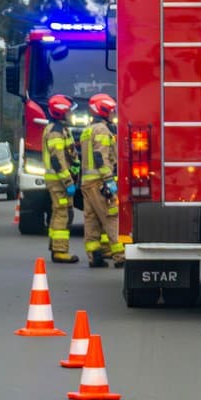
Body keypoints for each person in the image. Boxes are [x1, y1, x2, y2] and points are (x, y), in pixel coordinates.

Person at [79, 93, 125, 269]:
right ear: (104, 110)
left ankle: (94, 256)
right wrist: (108, 179)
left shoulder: (87, 130)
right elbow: (100, 156)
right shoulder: (102, 130)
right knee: (111, 216)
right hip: (99, 182)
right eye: (111, 110)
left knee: (91, 219)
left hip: (87, 183)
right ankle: (119, 256)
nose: (113, 114)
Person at [41, 94, 79, 264]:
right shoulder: (55, 132)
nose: (72, 114)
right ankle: (60, 251)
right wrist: (68, 181)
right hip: (59, 181)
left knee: (59, 212)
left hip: (59, 180)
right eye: (70, 111)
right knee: (62, 213)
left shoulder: (60, 129)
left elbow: (68, 155)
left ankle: (55, 247)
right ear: (61, 112)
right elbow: (58, 160)